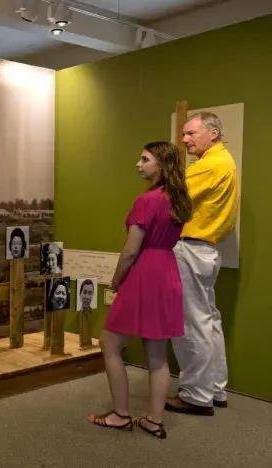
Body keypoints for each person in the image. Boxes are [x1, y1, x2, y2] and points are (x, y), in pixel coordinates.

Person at [88, 141, 192, 439]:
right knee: (157, 353)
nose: (138, 164)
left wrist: (117, 279)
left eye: (145, 159)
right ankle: (153, 421)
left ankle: (120, 415)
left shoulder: (146, 201)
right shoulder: (179, 199)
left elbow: (131, 250)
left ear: (161, 164)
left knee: (109, 343)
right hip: (167, 273)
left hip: (145, 273)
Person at [166, 112, 238, 416]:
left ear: (213, 133)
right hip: (206, 250)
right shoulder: (224, 161)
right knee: (208, 320)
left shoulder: (209, 165)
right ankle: (215, 388)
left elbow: (172, 197)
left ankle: (196, 395)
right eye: (184, 134)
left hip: (192, 249)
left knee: (191, 323)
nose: (184, 140)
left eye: (191, 134)